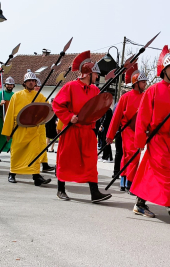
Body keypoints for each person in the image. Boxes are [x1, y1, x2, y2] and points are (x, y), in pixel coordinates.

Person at [130, 47, 170, 228]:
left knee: (151, 172)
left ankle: (140, 204)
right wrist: (140, 140)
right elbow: (142, 118)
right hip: (156, 138)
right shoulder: (153, 91)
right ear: (164, 69)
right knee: (166, 175)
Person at [52, 50, 112, 203]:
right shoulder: (70, 86)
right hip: (71, 129)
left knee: (90, 161)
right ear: (87, 74)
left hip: (88, 131)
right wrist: (68, 117)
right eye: (95, 74)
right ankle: (61, 189)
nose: (97, 77)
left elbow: (98, 107)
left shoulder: (95, 90)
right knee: (66, 160)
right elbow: (57, 104)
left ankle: (94, 192)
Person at [2, 71, 51, 186]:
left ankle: (36, 176)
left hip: (33, 130)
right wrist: (8, 132)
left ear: (35, 83)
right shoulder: (16, 96)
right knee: (17, 152)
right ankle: (12, 173)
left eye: (33, 81)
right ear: (24, 83)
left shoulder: (40, 97)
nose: (31, 82)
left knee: (34, 153)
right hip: (20, 129)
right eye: (29, 81)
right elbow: (9, 115)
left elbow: (46, 110)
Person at [106, 66, 148, 193]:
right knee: (133, 155)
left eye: (145, 82)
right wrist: (110, 135)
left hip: (140, 131)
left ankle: (124, 181)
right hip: (127, 130)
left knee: (127, 156)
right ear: (136, 83)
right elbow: (116, 116)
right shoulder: (126, 97)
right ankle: (130, 182)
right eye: (143, 82)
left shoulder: (146, 97)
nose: (145, 84)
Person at [34, 78, 55, 172]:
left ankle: (44, 164)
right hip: (31, 126)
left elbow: (47, 111)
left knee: (42, 146)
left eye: (39, 86)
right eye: (36, 86)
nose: (37, 87)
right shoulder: (23, 96)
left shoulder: (42, 98)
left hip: (41, 126)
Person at [0, 76, 15, 162]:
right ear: (5, 85)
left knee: (11, 137)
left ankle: (12, 154)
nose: (9, 86)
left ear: (13, 86)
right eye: (8, 84)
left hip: (10, 120)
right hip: (0, 119)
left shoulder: (14, 95)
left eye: (11, 85)